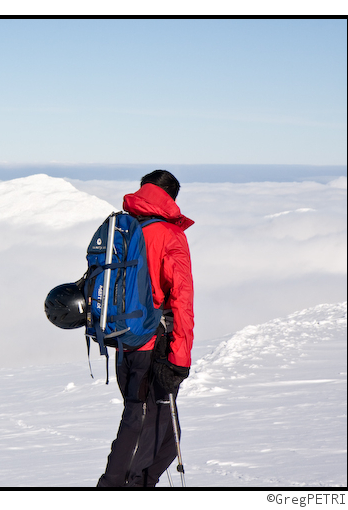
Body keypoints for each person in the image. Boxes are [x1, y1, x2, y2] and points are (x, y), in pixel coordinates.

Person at [96, 170, 195, 488]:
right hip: (156, 345)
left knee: (161, 431)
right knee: (143, 424)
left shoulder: (122, 227)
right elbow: (181, 298)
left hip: (124, 342)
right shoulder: (169, 234)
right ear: (172, 197)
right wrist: (180, 357)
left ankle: (136, 486)